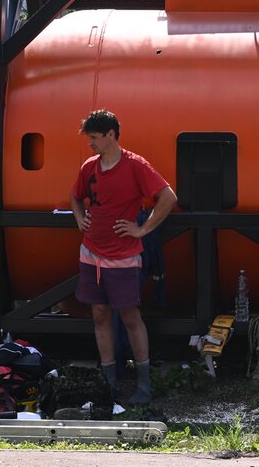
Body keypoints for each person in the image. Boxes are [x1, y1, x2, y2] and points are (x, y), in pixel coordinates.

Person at [70, 109, 177, 412]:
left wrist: (142, 229)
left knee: (130, 317)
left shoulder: (135, 165)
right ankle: (109, 384)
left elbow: (168, 197)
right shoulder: (89, 166)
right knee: (99, 315)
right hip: (91, 254)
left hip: (124, 256)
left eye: (94, 137)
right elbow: (75, 196)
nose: (90, 143)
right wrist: (79, 218)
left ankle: (143, 385)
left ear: (111, 135)